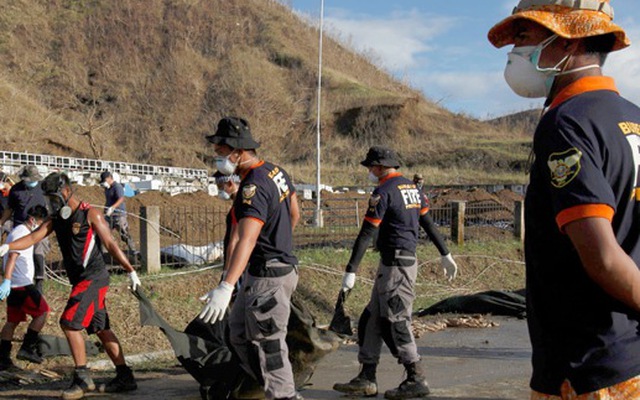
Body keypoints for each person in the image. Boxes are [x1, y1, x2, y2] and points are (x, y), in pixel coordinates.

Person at [488, 1, 640, 398]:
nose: (514, 51)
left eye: (524, 36)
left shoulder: (567, 123)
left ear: (570, 40)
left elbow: (603, 257)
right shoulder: (632, 119)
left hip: (590, 365)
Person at [0, 172, 142, 400]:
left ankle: (82, 378)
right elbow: (34, 237)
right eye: (48, 200)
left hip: (93, 279)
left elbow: (111, 244)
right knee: (101, 328)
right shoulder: (57, 219)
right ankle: (125, 377)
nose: (51, 204)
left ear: (66, 191)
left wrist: (131, 270)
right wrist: (8, 247)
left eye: (53, 198)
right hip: (81, 281)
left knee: (69, 322)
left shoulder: (90, 213)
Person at [333, 146, 458, 399]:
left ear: (380, 167)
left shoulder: (384, 191)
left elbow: (367, 233)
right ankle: (367, 377)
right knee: (370, 319)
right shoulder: (413, 190)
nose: (369, 171)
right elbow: (428, 223)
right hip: (392, 265)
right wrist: (445, 253)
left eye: (370, 167)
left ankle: (416, 377)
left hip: (398, 267)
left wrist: (351, 269)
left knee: (396, 321)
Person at [199, 116, 302, 400]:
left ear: (237, 151)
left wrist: (227, 285)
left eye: (221, 152)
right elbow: (294, 213)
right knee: (239, 332)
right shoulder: (276, 172)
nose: (218, 158)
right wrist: (280, 240)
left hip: (269, 276)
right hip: (267, 271)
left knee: (269, 343)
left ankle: (284, 395)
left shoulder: (251, 188)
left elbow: (246, 238)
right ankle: (270, 385)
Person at [0, 205, 50, 370]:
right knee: (42, 312)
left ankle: (3, 358)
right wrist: (6, 279)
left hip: (14, 285)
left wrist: (8, 281)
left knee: (12, 321)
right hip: (22, 284)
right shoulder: (22, 233)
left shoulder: (16, 231)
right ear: (33, 220)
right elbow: (13, 255)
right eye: (41, 224)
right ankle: (27, 348)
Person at [0, 166, 49, 292]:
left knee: (38, 252)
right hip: (21, 227)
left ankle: (39, 280)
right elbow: (9, 209)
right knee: (17, 255)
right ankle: (13, 281)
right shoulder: (16, 190)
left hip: (38, 227)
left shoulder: (43, 188)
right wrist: (1, 222)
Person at [99, 171, 136, 254]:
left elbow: (121, 199)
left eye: (104, 180)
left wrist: (113, 207)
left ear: (109, 178)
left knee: (124, 234)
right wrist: (105, 210)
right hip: (109, 216)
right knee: (104, 233)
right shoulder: (107, 189)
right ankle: (104, 253)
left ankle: (133, 251)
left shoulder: (117, 187)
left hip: (119, 215)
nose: (103, 183)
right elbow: (108, 200)